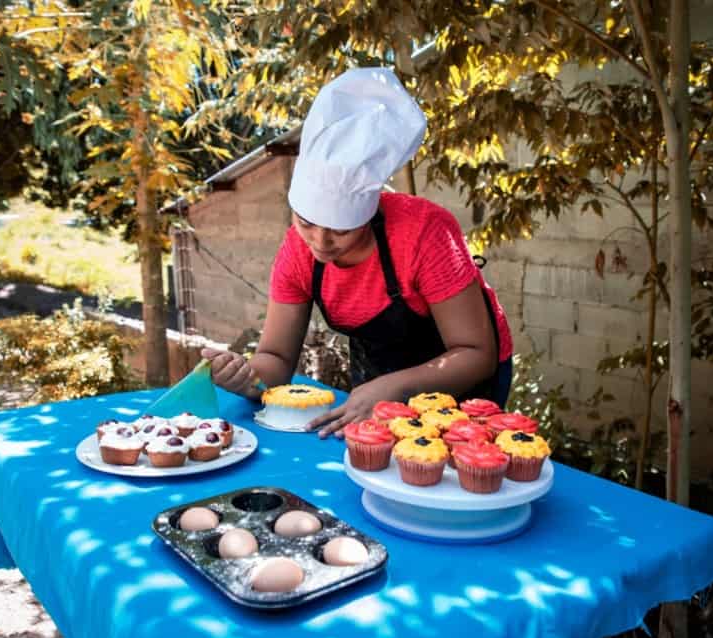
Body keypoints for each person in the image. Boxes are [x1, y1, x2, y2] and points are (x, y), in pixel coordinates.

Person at [202, 67, 513, 438]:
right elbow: (276, 362)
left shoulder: (425, 233)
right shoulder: (297, 252)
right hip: (375, 386)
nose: (320, 242)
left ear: (367, 214)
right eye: (305, 223)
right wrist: (245, 377)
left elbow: (475, 354)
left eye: (340, 230)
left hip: (462, 383)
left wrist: (395, 388)